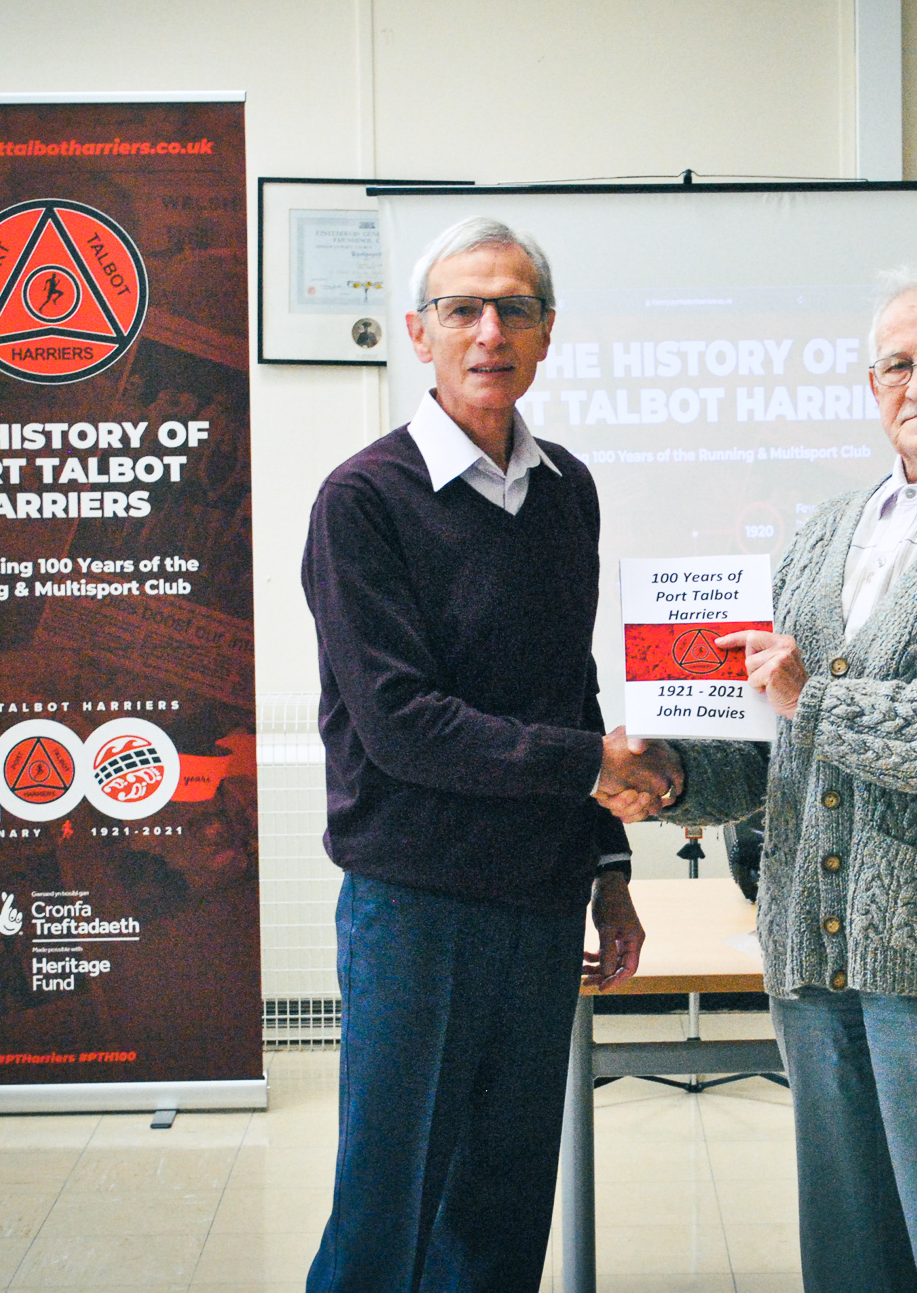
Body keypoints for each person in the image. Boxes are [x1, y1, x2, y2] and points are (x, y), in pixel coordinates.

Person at [606, 272, 917, 1292]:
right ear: (870, 386)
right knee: (849, 1248)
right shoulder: (825, 531)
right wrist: (672, 774)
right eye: (897, 365)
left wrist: (811, 700)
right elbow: (771, 747)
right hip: (811, 944)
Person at [300, 216, 675, 1293]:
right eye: (462, 308)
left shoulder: (566, 489)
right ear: (418, 334)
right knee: (386, 1210)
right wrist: (587, 767)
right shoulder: (361, 500)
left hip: (540, 899)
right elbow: (399, 722)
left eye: (513, 308)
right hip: (415, 901)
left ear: (547, 334)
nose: (488, 330)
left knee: (505, 1208)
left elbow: (569, 687)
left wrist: (607, 870)